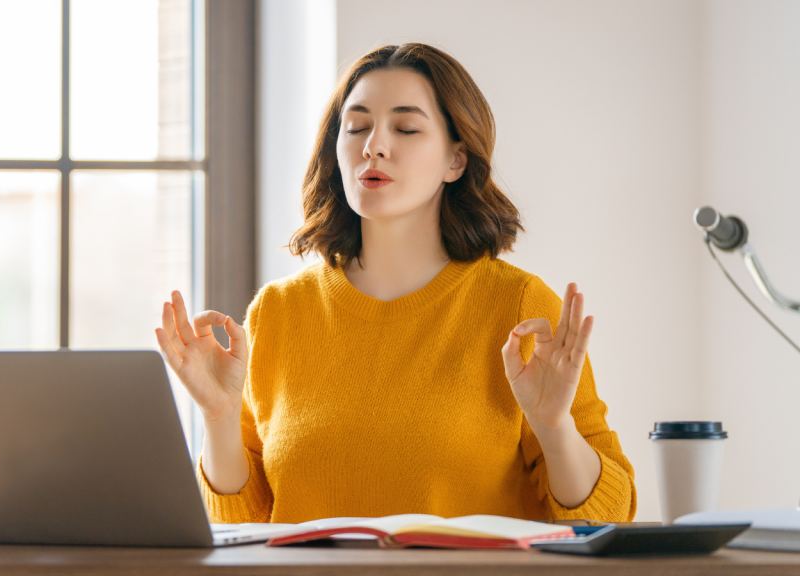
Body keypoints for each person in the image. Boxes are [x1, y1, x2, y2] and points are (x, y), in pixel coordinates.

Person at [155, 43, 636, 524]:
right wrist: (219, 420)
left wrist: (554, 428)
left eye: (405, 128)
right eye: (357, 127)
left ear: (456, 160)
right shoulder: (278, 312)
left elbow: (609, 517)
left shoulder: (519, 308)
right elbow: (242, 525)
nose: (373, 146)